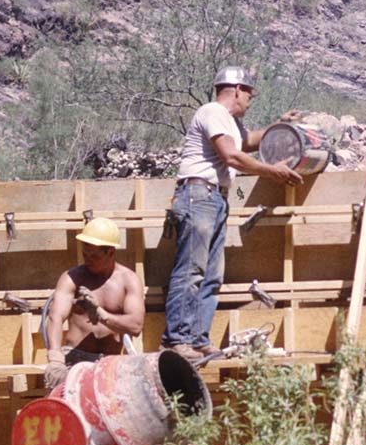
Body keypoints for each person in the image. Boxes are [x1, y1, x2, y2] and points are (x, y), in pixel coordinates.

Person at [160, 65, 303, 364]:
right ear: (237, 90)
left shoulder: (229, 122)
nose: (251, 99)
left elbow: (248, 142)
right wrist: (272, 170)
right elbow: (232, 156)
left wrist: (279, 126)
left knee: (211, 275)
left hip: (214, 199)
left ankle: (198, 340)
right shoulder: (212, 111)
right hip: (198, 196)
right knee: (191, 270)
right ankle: (176, 340)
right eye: (249, 93)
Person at [43, 216, 146, 390]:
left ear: (111, 252)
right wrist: (55, 357)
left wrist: (103, 316)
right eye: (85, 254)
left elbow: (136, 326)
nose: (87, 259)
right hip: (74, 359)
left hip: (110, 362)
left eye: (94, 255)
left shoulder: (128, 280)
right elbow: (55, 317)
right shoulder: (72, 278)